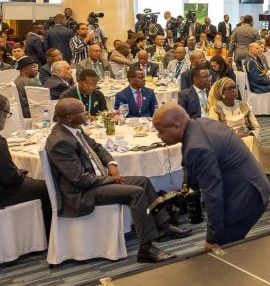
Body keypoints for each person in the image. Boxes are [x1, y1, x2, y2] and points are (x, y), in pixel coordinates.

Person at [46, 99, 190, 263]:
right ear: (69, 116)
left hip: (95, 181)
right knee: (136, 193)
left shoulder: (74, 129)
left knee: (143, 181)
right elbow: (80, 179)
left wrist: (111, 164)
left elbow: (98, 147)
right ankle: (145, 248)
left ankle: (163, 227)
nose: (87, 114)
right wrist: (109, 179)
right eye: (83, 111)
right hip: (81, 193)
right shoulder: (60, 141)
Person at [154, 103, 270, 249]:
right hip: (251, 184)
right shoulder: (200, 124)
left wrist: (212, 238)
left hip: (246, 196)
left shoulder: (197, 147)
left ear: (177, 126)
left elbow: (212, 195)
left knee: (223, 248)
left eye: (160, 131)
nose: (159, 136)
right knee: (231, 248)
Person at [207, 78, 270, 189]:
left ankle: (267, 181)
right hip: (229, 143)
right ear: (222, 92)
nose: (234, 90)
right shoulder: (215, 109)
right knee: (251, 142)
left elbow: (256, 127)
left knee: (250, 140)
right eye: (230, 88)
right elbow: (214, 134)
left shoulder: (243, 105)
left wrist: (251, 134)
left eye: (235, 87)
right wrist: (236, 136)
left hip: (248, 139)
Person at [0, 93, 52, 237]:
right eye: (7, 114)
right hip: (5, 192)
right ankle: (49, 235)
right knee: (50, 188)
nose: (5, 119)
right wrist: (20, 173)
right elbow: (10, 178)